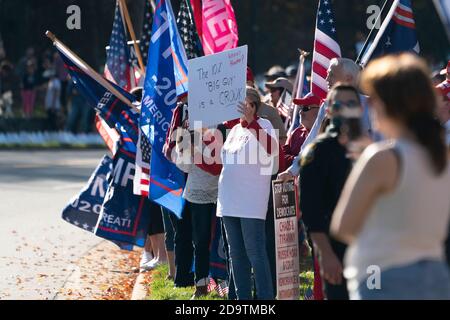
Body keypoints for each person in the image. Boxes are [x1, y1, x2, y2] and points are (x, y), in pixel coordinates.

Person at [331, 54, 450, 300]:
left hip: (383, 277)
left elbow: (343, 226)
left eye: (375, 98)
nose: (369, 106)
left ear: (389, 104)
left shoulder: (382, 159)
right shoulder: (442, 155)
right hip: (436, 275)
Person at [299, 83, 365, 300]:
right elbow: (311, 212)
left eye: (351, 103)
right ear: (328, 110)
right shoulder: (316, 152)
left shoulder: (371, 148)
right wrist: (326, 255)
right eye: (338, 104)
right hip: (335, 252)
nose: (345, 109)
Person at [278, 57, 373, 182]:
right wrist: (292, 171)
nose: (326, 79)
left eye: (331, 75)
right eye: (327, 75)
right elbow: (312, 142)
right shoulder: (326, 106)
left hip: (362, 177)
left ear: (348, 79)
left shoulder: (371, 105)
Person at [172, 111, 221, 299]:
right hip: (198, 193)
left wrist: (199, 152)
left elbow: (222, 163)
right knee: (200, 241)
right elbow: (183, 166)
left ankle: (223, 282)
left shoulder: (223, 128)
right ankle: (200, 285)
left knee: (223, 242)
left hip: (223, 191)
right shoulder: (190, 130)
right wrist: (182, 147)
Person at [282, 93, 321, 167]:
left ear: (320, 110)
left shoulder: (326, 134)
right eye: (301, 108)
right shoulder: (296, 133)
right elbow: (282, 157)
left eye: (306, 108)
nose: (300, 112)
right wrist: (300, 160)